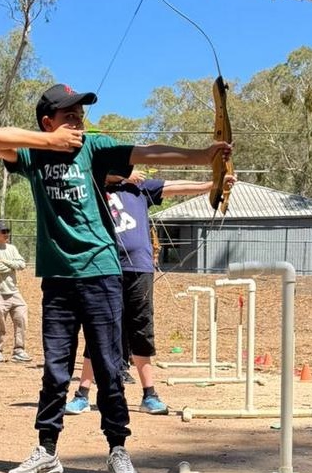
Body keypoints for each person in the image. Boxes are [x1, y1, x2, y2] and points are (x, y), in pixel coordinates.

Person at [0, 82, 232, 473]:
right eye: (70, 115)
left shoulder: (94, 149)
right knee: (56, 370)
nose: (79, 121)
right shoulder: (33, 154)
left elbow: (147, 153)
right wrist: (50, 140)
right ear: (49, 122)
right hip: (58, 279)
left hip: (101, 273)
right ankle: (47, 451)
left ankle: (117, 449)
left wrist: (201, 156)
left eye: (81, 114)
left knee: (108, 367)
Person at [66, 170, 236, 415]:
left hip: (139, 268)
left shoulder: (141, 188)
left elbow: (177, 185)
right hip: (104, 266)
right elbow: (92, 171)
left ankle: (150, 395)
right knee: (98, 329)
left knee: (141, 329)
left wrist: (214, 184)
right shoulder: (93, 185)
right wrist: (122, 175)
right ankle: (82, 394)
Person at [0, 220, 31, 364]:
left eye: (7, 231)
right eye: (3, 232)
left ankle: (19, 350)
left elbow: (22, 264)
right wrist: (12, 266)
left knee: (21, 319)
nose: (6, 234)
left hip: (14, 292)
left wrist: (7, 263)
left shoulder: (12, 248)